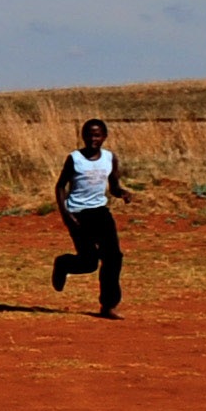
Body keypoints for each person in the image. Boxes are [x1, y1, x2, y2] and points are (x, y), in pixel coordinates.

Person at [52, 119, 128, 317]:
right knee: (89, 262)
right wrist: (66, 214)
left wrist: (122, 193)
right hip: (78, 214)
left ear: (104, 136)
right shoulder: (75, 159)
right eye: (89, 135)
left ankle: (109, 305)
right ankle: (64, 264)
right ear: (83, 136)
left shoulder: (109, 158)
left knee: (113, 258)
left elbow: (114, 186)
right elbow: (60, 186)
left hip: (100, 212)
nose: (93, 139)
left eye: (97, 135)